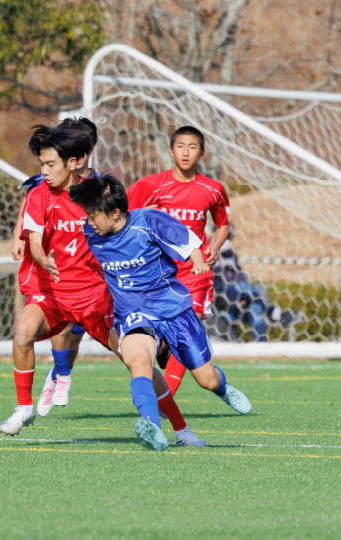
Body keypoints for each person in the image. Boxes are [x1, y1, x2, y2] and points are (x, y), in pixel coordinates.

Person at [1, 125, 205, 449]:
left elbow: (125, 219)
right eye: (42, 164)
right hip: (52, 293)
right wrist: (40, 257)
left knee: (137, 361)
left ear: (72, 163)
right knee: (23, 332)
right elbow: (35, 241)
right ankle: (24, 407)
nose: (44, 171)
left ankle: (181, 430)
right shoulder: (38, 194)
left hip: (97, 297)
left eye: (50, 164)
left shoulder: (93, 195)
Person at [70, 174, 252, 451]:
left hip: (173, 309)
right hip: (133, 314)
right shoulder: (91, 232)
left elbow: (188, 242)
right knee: (138, 362)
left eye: (93, 215)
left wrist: (198, 261)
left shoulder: (149, 222)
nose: (89, 221)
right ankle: (152, 425)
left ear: (115, 212)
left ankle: (222, 388)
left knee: (206, 379)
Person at [126, 126, 230, 396]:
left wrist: (215, 247)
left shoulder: (213, 189)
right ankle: (174, 358)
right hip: (160, 273)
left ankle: (165, 402)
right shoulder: (151, 185)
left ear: (202, 153)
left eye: (192, 147)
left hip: (196, 270)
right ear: (171, 151)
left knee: (188, 324)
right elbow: (122, 214)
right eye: (180, 146)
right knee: (158, 339)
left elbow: (223, 224)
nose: (186, 152)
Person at [9, 117, 98, 417]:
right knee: (50, 327)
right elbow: (29, 207)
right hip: (54, 279)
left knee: (81, 335)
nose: (45, 169)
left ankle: (60, 373)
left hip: (90, 279)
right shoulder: (43, 183)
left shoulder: (96, 187)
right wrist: (19, 237)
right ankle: (59, 378)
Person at [212, 230, 300, 341]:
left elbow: (240, 275)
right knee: (244, 286)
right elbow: (215, 283)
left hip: (240, 297)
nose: (226, 239)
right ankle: (274, 313)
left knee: (256, 308)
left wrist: (242, 297)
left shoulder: (230, 253)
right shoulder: (208, 254)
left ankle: (261, 347)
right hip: (223, 299)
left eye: (229, 236)